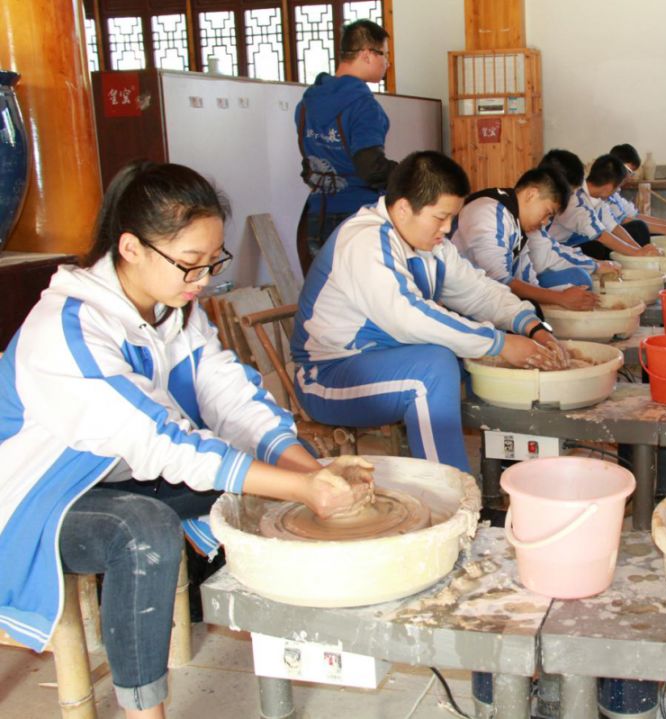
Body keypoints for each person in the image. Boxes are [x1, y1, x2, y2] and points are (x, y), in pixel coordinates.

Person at [0, 161, 365, 719]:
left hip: (117, 474)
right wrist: (302, 486)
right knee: (142, 531)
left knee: (258, 490)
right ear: (131, 247)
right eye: (190, 264)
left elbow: (232, 397)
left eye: (210, 262)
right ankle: (145, 711)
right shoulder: (69, 328)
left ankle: (300, 640)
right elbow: (164, 442)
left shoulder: (175, 311)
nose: (202, 280)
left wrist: (308, 471)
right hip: (40, 499)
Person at [291, 151, 566, 475]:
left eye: (452, 218)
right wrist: (500, 343)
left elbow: (478, 291)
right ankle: (452, 497)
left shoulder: (430, 245)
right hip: (327, 376)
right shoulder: (364, 240)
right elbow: (407, 316)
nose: (447, 229)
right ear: (405, 208)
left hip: (386, 361)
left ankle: (507, 472)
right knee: (433, 370)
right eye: (440, 218)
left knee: (480, 364)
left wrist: (532, 326)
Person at [295, 19, 395, 275]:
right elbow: (370, 168)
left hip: (316, 215)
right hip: (356, 214)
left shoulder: (307, 103)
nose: (387, 63)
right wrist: (410, 173)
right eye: (384, 54)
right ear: (366, 54)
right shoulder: (363, 105)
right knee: (360, 297)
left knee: (326, 293)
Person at [451, 167, 601, 310]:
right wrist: (560, 297)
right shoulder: (492, 213)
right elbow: (498, 281)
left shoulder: (516, 222)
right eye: (548, 212)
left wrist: (562, 297)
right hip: (462, 300)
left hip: (484, 296)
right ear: (532, 195)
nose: (545, 222)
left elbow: (526, 277)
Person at [548, 154, 662, 260]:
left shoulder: (598, 199)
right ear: (608, 187)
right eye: (618, 187)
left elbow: (614, 227)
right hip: (558, 249)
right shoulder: (576, 200)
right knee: (596, 247)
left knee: (637, 228)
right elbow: (601, 235)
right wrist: (637, 253)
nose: (618, 190)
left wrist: (639, 249)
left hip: (582, 241)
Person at [608, 143, 666, 242]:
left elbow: (634, 215)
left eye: (631, 173)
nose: (629, 177)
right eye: (629, 172)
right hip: (601, 239)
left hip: (613, 232)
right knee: (639, 227)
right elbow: (622, 220)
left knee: (647, 228)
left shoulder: (615, 193)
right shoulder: (604, 191)